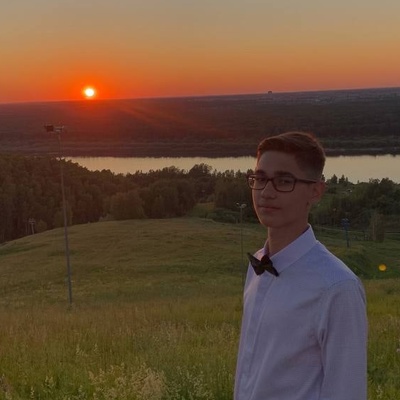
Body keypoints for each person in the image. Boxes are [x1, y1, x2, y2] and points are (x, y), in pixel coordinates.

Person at [234, 131, 367, 400]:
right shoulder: (257, 266)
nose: (266, 192)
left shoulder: (337, 288)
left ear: (315, 191)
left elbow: (347, 391)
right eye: (260, 178)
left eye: (284, 181)